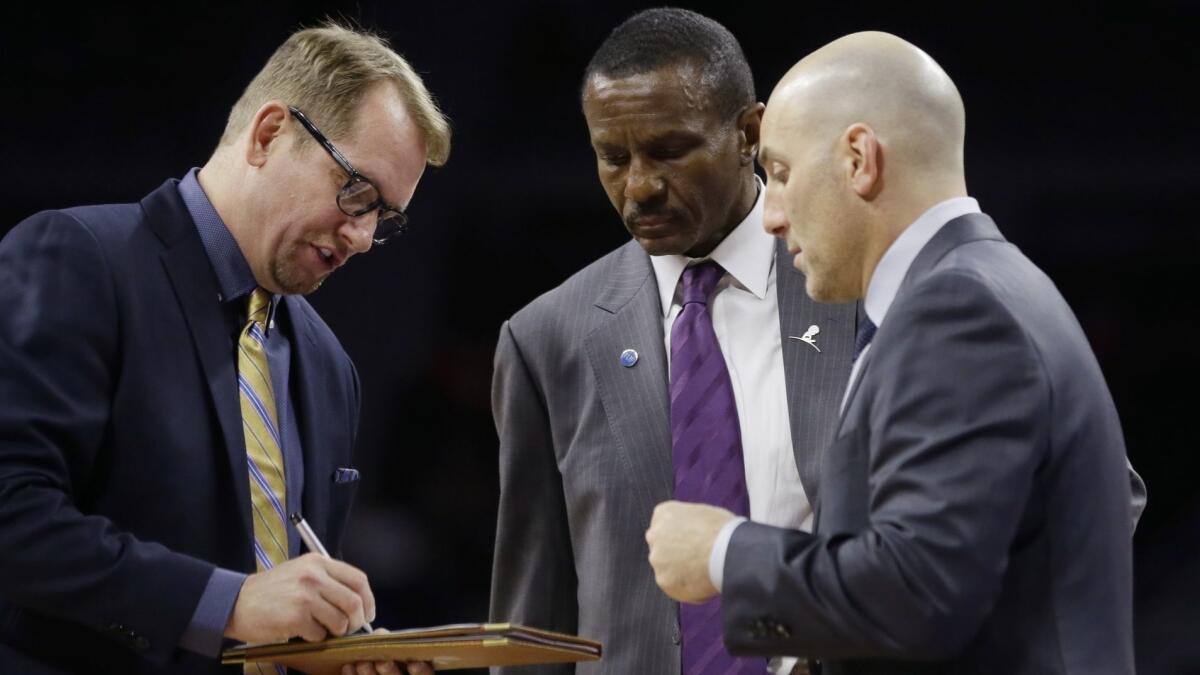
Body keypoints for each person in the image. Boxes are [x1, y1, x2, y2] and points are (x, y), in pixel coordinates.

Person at [646, 31, 1138, 674]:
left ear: (859, 159)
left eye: (783, 174)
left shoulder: (958, 312)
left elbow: (919, 591)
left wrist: (724, 552)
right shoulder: (993, 284)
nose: (770, 215)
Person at [0, 22, 449, 675]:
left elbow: (272, 609)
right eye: (358, 191)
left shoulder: (329, 368)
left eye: (385, 217)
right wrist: (227, 601)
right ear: (269, 134)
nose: (360, 235)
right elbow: (11, 510)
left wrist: (335, 652)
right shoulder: (77, 258)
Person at [489, 8, 859, 674]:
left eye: (668, 151)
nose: (639, 187)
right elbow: (532, 621)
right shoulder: (546, 339)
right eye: (613, 157)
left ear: (749, 133)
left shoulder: (854, 291)